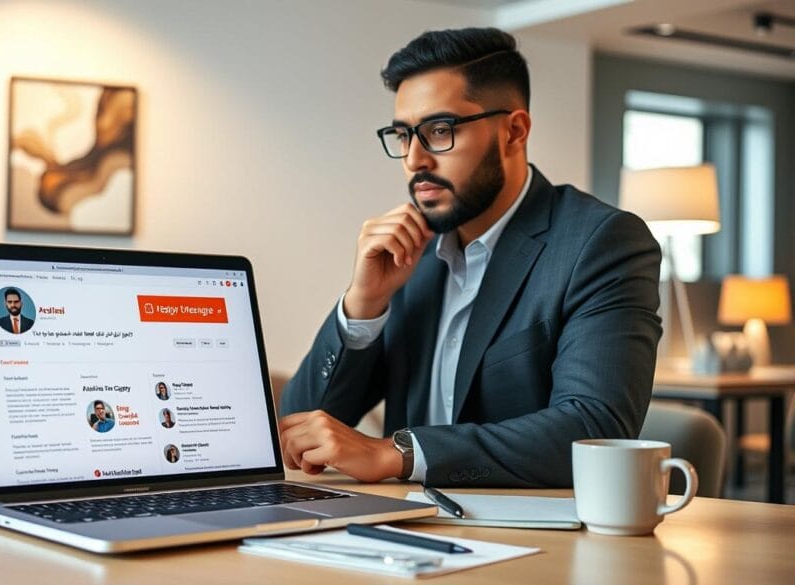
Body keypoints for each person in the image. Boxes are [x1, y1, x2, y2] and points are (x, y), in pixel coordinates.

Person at [279, 28, 662, 488]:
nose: (415, 159)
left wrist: (397, 454)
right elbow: (296, 430)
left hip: (535, 542)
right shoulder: (407, 255)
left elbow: (595, 428)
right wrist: (363, 304)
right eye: (403, 135)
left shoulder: (601, 242)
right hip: (400, 531)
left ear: (514, 132)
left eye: (440, 131)